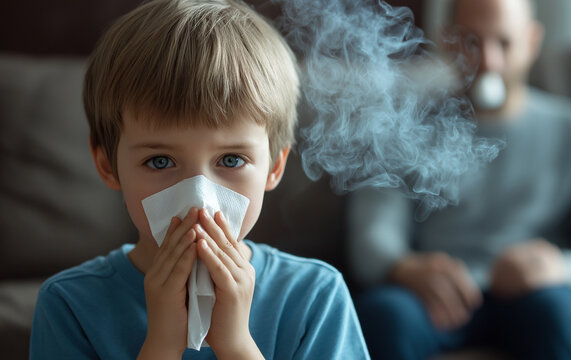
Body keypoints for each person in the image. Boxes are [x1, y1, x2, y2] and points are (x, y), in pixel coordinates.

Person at [29, 0, 369, 359]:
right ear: (107, 165)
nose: (198, 198)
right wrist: (161, 345)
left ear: (274, 167)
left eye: (231, 159)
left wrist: (236, 345)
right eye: (160, 161)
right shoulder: (68, 306)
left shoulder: (314, 296)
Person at [348, 0, 571, 359]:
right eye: (472, 42)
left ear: (532, 41)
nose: (488, 62)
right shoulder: (400, 130)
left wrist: (564, 267)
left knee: (556, 313)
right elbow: (370, 238)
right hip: (436, 298)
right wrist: (405, 267)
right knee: (387, 315)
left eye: (504, 43)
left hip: (543, 295)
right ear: (448, 43)